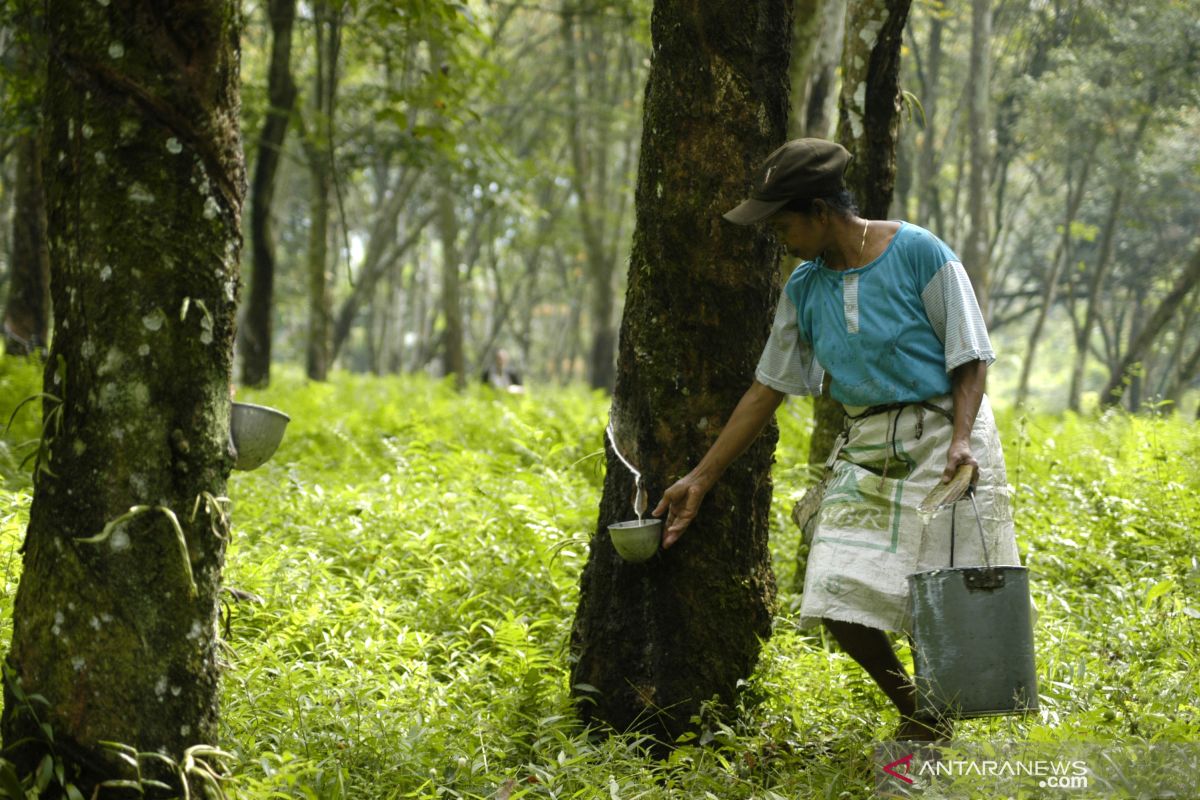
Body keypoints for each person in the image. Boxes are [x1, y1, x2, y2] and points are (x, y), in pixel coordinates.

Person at [651, 139, 1020, 742]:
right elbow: (766, 390)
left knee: (940, 599)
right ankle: (919, 713)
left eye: (784, 224)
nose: (779, 238)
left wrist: (961, 441)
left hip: (944, 438)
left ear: (821, 211)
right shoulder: (805, 286)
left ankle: (936, 731)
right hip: (870, 443)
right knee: (832, 590)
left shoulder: (919, 251)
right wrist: (699, 478)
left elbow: (970, 355)